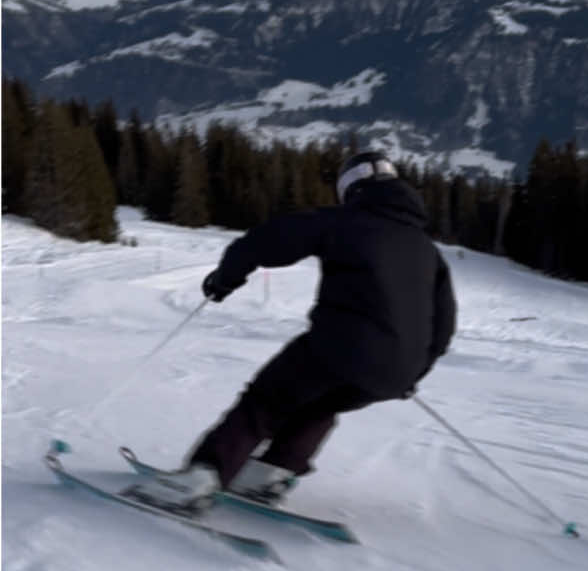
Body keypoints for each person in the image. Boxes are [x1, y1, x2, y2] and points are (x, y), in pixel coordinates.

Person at [152, 150, 456, 507]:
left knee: (263, 403)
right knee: (318, 405)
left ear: (350, 186)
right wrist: (412, 372)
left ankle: (201, 478)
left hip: (339, 346)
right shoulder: (428, 250)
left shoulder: (346, 221)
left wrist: (224, 279)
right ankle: (271, 473)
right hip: (396, 372)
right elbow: (444, 326)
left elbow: (265, 240)